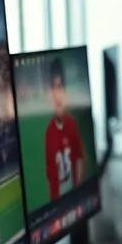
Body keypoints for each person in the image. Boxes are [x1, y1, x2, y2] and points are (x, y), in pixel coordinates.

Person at [45, 58, 86, 199]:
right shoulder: (49, 133)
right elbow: (50, 176)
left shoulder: (71, 124)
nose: (57, 95)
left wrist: (77, 190)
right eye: (53, 89)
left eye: (60, 87)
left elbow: (80, 158)